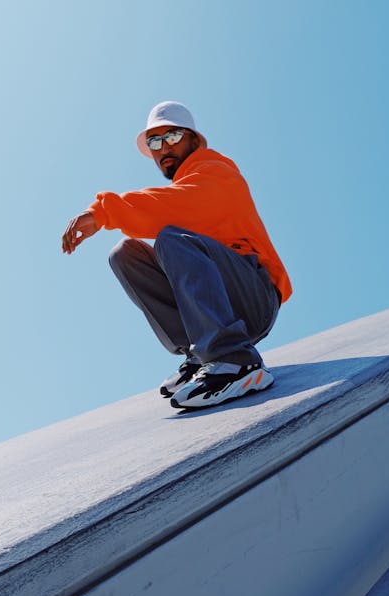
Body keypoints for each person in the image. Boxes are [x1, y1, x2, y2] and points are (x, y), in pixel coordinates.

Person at [62, 101, 292, 409]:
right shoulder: (189, 183)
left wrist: (103, 212)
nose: (162, 148)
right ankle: (200, 355)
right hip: (229, 303)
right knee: (125, 254)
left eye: (171, 137)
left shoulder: (217, 171)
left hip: (256, 297)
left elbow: (175, 205)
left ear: (194, 140)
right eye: (154, 142)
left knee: (171, 238)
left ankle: (236, 360)